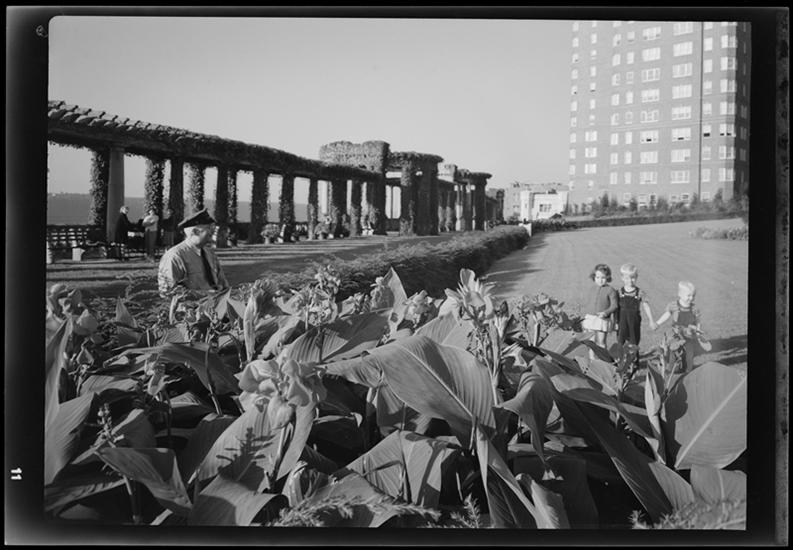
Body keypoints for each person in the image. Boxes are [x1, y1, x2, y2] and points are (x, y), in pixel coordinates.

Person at [157, 209, 229, 297]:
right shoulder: (175, 256)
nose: (213, 231)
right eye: (209, 228)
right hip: (192, 305)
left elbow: (223, 284)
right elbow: (167, 292)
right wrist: (203, 294)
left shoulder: (210, 254)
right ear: (195, 232)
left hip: (216, 304)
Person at [654, 280, 711, 373]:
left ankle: (688, 371)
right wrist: (657, 323)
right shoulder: (674, 305)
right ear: (680, 294)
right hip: (676, 334)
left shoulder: (694, 308)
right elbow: (667, 315)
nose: (691, 298)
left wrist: (698, 331)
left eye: (693, 295)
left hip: (689, 335)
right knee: (674, 352)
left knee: (689, 353)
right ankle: (672, 370)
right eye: (688, 295)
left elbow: (698, 320)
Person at [616, 263, 657, 349]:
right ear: (622, 278)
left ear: (636, 277)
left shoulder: (640, 292)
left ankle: (634, 357)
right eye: (627, 278)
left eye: (633, 278)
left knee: (634, 342)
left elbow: (646, 306)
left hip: (634, 322)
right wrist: (614, 322)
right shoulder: (619, 292)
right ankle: (620, 356)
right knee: (620, 342)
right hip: (622, 322)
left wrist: (651, 320)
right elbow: (615, 307)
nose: (630, 281)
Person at [582, 263, 619, 352]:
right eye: (597, 277)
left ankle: (603, 358)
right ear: (594, 277)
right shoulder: (592, 289)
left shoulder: (610, 290)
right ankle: (591, 359)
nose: (600, 280)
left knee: (601, 342)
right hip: (591, 318)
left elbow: (614, 305)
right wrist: (584, 318)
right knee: (590, 341)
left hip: (602, 319)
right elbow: (588, 304)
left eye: (603, 278)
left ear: (607, 278)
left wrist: (605, 312)